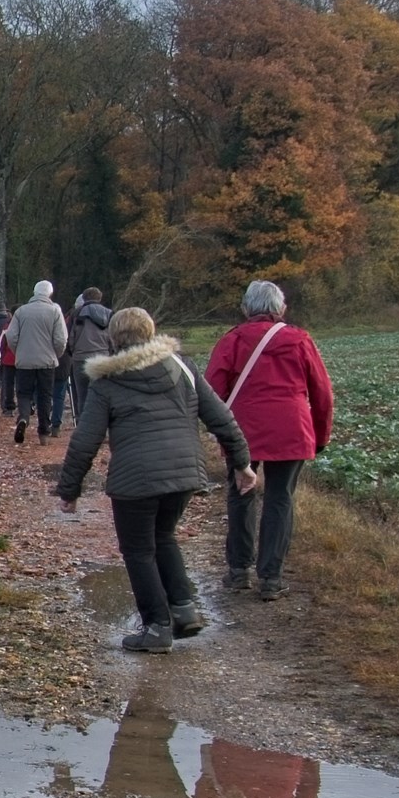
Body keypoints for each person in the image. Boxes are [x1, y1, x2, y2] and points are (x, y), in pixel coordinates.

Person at [55, 306, 257, 654]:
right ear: (151, 332)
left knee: (138, 550)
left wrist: (69, 489)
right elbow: (220, 417)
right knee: (164, 535)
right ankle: (184, 609)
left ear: (112, 339)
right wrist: (242, 463)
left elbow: (86, 439)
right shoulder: (183, 368)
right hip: (183, 474)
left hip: (134, 480)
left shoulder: (106, 382)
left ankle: (156, 628)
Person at [202, 278, 334, 602]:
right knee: (280, 498)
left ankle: (238, 571)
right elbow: (322, 393)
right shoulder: (299, 340)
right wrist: (320, 435)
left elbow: (211, 391)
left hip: (242, 430)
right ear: (281, 308)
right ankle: (271, 578)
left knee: (241, 493)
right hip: (291, 429)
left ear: (247, 308)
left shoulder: (231, 340)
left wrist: (218, 431)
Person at [9, 279, 68, 445]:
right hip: (47, 361)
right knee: (45, 395)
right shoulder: (55, 312)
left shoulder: (21, 312)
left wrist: (18, 353)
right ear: (50, 293)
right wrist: (55, 354)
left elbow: (11, 337)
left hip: (25, 361)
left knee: (24, 393)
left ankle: (24, 418)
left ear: (34, 293)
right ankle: (43, 431)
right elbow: (61, 340)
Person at [64, 287, 113, 425]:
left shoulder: (76, 314)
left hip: (81, 358)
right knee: (102, 395)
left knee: (82, 395)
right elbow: (113, 338)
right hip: (103, 358)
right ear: (100, 298)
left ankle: (83, 426)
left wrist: (73, 352)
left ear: (84, 298)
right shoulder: (109, 314)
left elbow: (70, 337)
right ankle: (102, 426)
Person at [0, 304, 18, 417]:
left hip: (7, 359)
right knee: (22, 384)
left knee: (7, 384)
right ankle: (25, 406)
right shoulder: (26, 324)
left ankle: (6, 407)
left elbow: (3, 343)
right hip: (23, 359)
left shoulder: (7, 326)